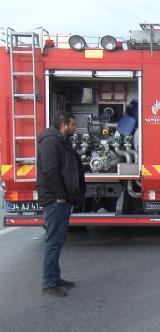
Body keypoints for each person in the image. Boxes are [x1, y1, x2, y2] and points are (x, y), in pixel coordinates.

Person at [36, 112, 86, 297]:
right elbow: (51, 172)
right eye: (72, 124)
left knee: (57, 241)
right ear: (63, 125)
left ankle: (55, 278)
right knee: (53, 243)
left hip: (61, 200)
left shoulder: (60, 141)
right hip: (55, 200)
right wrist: (61, 196)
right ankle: (48, 283)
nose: (74, 128)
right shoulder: (50, 142)